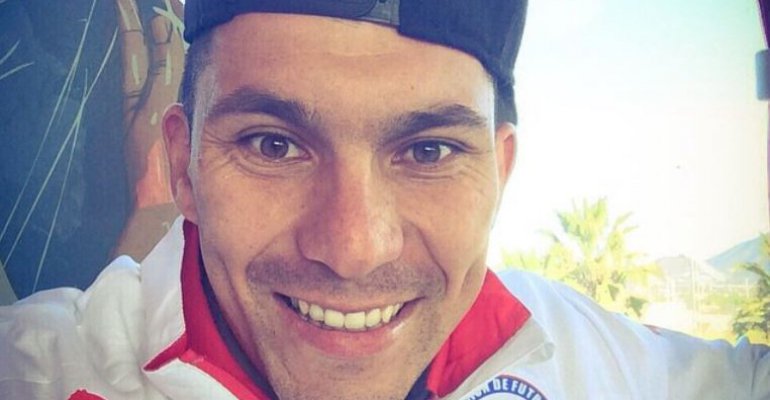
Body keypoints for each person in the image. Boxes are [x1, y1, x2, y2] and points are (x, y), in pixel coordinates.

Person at [1, 1, 768, 399]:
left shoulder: (592, 362)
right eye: (273, 145)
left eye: (429, 152)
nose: (353, 249)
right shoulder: (35, 370)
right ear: (184, 164)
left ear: (499, 174)